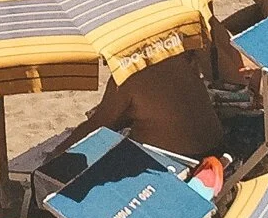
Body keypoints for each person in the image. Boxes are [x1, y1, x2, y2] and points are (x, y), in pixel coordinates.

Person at [73, 51, 227, 164]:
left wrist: (59, 153)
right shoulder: (178, 57)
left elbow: (96, 126)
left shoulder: (125, 78)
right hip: (217, 147)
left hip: (178, 162)